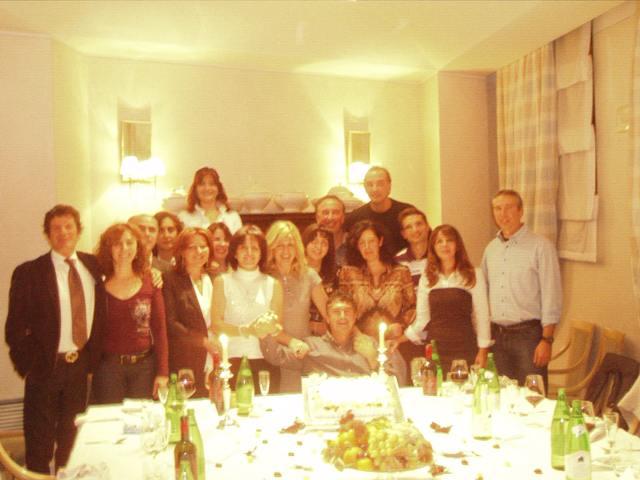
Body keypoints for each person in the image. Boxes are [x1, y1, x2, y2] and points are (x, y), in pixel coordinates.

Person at [5, 205, 106, 473]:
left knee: (72, 442)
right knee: (39, 443)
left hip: (80, 368)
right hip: (45, 369)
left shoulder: (94, 266)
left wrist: (92, 362)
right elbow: (14, 328)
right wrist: (30, 366)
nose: (63, 233)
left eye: (68, 226)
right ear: (47, 234)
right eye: (56, 228)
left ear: (78, 231)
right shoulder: (29, 272)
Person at [482, 189, 562, 386]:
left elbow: (552, 295)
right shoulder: (491, 249)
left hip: (528, 338)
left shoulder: (541, 247)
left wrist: (547, 340)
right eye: (497, 208)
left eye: (509, 208)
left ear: (520, 211)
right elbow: (484, 292)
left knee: (532, 396)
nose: (503, 214)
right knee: (501, 395)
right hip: (498, 337)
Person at [392, 225, 491, 373]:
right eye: (439, 241)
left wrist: (483, 350)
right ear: (433, 247)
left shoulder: (474, 274)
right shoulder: (427, 277)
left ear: (457, 245)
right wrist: (400, 339)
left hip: (465, 347)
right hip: (436, 349)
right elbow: (422, 320)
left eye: (449, 240)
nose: (445, 245)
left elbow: (482, 316)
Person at [92, 223, 169, 403]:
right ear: (108, 248)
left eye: (129, 242)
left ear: (138, 246)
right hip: (108, 369)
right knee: (111, 418)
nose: (124, 249)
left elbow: (160, 330)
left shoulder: (151, 280)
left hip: (144, 368)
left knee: (141, 418)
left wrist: (163, 373)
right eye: (117, 244)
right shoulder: (97, 284)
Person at [261, 292, 404, 382]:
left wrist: (373, 359)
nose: (342, 316)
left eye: (347, 311)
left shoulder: (372, 345)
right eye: (336, 312)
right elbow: (276, 356)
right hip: (325, 412)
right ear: (328, 319)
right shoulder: (311, 346)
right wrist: (265, 332)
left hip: (366, 409)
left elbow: (398, 381)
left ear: (355, 316)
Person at [210, 225, 283, 392]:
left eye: (254, 248)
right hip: (232, 361)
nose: (249, 253)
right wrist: (248, 330)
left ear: (262, 253)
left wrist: (270, 326)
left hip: (267, 360)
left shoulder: (273, 284)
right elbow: (216, 325)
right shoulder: (222, 282)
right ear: (234, 252)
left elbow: (278, 325)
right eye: (243, 248)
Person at [265, 221, 328, 392]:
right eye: (280, 245)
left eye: (290, 245)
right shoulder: (264, 278)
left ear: (298, 247)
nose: (286, 251)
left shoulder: (309, 275)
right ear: (271, 248)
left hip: (302, 353)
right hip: (273, 354)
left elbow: (330, 314)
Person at [163, 228, 218, 397]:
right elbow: (171, 323)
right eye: (192, 247)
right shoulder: (170, 279)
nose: (199, 251)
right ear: (181, 251)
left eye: (203, 246)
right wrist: (203, 342)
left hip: (215, 357)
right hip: (185, 359)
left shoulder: (215, 278)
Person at [339, 220, 415, 332]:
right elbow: (343, 307)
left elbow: (411, 308)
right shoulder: (348, 273)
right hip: (358, 337)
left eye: (371, 241)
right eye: (362, 243)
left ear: (380, 241)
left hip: (393, 337)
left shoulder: (401, 272)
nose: (367, 247)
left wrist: (401, 326)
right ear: (357, 246)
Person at [344, 166, 414, 255]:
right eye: (370, 185)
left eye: (380, 184)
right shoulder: (354, 218)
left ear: (389, 186)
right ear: (365, 188)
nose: (375, 189)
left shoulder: (407, 213)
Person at [178, 166, 242, 233]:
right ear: (195, 189)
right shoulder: (184, 217)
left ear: (218, 188)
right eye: (202, 184)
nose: (207, 188)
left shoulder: (232, 216)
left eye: (212, 184)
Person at [302, 224, 337, 336]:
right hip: (300, 331)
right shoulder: (295, 272)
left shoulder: (337, 274)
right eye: (314, 242)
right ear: (304, 244)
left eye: (324, 243)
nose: (319, 247)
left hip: (328, 332)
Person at [395, 207, 431, 290]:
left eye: (419, 224)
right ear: (404, 234)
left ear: (427, 227)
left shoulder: (440, 255)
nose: (415, 230)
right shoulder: (397, 262)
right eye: (409, 227)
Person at [314, 195, 348, 266]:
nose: (330, 217)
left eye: (335, 212)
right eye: (325, 213)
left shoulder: (354, 243)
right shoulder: (309, 247)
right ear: (317, 218)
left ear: (343, 217)